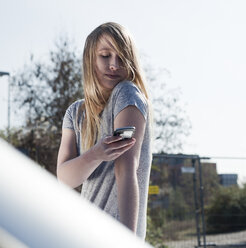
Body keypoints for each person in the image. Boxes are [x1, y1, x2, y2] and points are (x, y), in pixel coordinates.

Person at [57, 22, 152, 240]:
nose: (113, 64)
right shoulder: (75, 113)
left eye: (121, 57)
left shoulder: (127, 93)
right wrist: (96, 154)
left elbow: (126, 170)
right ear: (90, 59)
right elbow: (64, 178)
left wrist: (127, 241)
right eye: (105, 56)